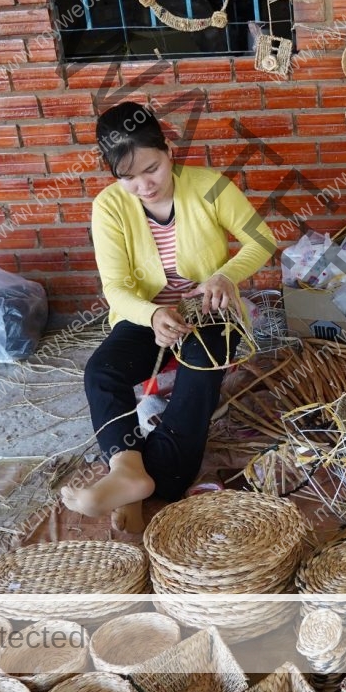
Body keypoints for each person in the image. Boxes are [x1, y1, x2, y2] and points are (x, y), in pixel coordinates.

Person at [60, 102, 275, 531]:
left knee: (200, 367)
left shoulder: (208, 186)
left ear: (169, 152)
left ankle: (149, 483)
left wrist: (224, 276)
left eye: (152, 169)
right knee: (102, 372)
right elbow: (116, 287)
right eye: (128, 179)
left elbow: (260, 241)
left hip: (211, 311)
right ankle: (126, 468)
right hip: (146, 316)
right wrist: (152, 313)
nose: (144, 186)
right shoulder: (109, 207)